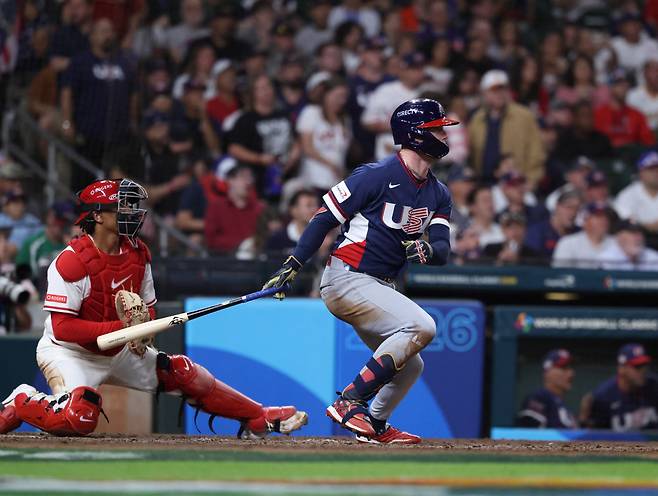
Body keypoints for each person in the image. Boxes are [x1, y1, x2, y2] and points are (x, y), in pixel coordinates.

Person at [0, 179, 307, 438]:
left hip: (119, 349)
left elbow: (148, 309)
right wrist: (124, 330)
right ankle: (22, 399)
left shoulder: (138, 253)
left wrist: (141, 332)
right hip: (69, 352)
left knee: (182, 372)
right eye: (122, 206)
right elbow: (63, 328)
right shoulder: (71, 262)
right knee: (79, 417)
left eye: (132, 205)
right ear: (98, 215)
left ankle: (257, 416)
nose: (131, 213)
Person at [263, 99, 457, 444]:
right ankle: (349, 400)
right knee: (422, 326)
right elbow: (323, 217)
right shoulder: (376, 175)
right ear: (415, 135)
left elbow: (442, 249)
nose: (444, 135)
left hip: (379, 285)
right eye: (437, 129)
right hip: (346, 276)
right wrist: (292, 265)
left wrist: (427, 250)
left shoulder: (439, 193)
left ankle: (375, 425)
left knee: (412, 364)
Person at [467, 69, 545, 187]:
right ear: (484, 93)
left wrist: (531, 182)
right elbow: (471, 156)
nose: (500, 94)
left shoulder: (524, 116)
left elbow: (536, 153)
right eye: (494, 90)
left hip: (515, 185)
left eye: (503, 89)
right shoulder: (477, 119)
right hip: (483, 185)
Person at [361, 52, 426, 160]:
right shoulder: (386, 91)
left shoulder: (428, 93)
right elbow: (367, 121)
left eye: (420, 69)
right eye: (413, 69)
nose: (418, 73)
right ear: (403, 70)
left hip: (418, 158)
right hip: (388, 155)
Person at [580, 343, 658, 431]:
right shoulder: (603, 397)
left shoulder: (654, 386)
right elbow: (593, 436)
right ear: (621, 369)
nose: (643, 371)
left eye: (644, 366)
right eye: (637, 367)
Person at [297, 78, 351, 193]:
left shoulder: (344, 119)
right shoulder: (311, 112)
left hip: (337, 182)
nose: (341, 101)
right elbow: (307, 148)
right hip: (314, 179)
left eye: (344, 97)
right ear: (325, 95)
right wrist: (330, 164)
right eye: (337, 96)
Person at [204, 162, 264, 254]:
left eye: (250, 178)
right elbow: (211, 239)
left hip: (254, 261)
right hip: (225, 261)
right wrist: (241, 245)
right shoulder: (216, 207)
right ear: (230, 180)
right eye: (243, 178)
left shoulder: (259, 208)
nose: (248, 182)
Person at [593, 69, 655, 148]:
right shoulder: (598, 114)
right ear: (610, 87)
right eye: (618, 84)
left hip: (631, 157)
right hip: (606, 156)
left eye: (625, 84)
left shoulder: (637, 115)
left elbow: (649, 144)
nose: (623, 87)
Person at [516, 349, 577, 429]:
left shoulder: (559, 404)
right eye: (564, 368)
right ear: (547, 372)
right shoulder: (539, 397)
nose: (571, 373)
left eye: (571, 368)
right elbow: (530, 434)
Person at [552, 202, 615, 269]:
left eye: (606, 217)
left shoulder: (617, 243)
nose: (604, 221)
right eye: (598, 217)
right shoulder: (568, 243)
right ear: (585, 220)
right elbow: (559, 273)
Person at [526, 189, 581, 260]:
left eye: (576, 209)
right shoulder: (537, 232)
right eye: (569, 207)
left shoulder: (579, 233)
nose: (573, 213)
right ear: (557, 206)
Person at [614, 151, 658, 233]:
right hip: (639, 238)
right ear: (641, 172)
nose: (656, 172)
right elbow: (625, 222)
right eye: (651, 168)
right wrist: (648, 227)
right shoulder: (627, 194)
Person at [266, 189, 320, 254]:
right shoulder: (277, 240)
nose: (314, 209)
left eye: (316, 205)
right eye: (309, 205)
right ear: (293, 210)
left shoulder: (324, 238)